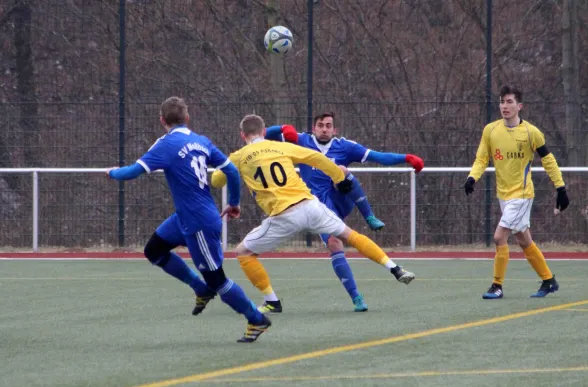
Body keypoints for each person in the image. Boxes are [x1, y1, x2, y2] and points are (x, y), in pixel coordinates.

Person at [211, 114, 415, 314]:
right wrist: (338, 176)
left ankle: (271, 301)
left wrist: (229, 167)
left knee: (243, 252)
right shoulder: (280, 146)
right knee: (349, 235)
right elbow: (315, 157)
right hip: (311, 205)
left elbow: (217, 181)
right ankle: (394, 268)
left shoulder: (237, 156)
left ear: (242, 135)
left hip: (284, 216)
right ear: (264, 132)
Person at [106, 97, 270, 343]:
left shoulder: (166, 144)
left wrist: (112, 173)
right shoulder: (201, 141)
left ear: (162, 120)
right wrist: (234, 202)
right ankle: (199, 288)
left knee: (217, 280)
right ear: (187, 118)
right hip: (186, 217)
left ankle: (256, 318)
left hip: (199, 223)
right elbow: (232, 171)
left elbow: (133, 171)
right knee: (154, 250)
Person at [264, 112, 424, 312]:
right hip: (319, 208)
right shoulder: (301, 141)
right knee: (334, 243)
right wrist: (280, 129)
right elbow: (261, 136)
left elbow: (378, 157)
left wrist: (407, 158)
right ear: (314, 128)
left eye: (328, 125)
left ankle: (370, 217)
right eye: (320, 125)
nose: (324, 129)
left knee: (342, 170)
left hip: (342, 198)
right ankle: (357, 297)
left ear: (334, 129)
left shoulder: (345, 146)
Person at [464, 85, 570, 299]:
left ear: (519, 106)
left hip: (522, 196)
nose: (505, 106)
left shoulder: (531, 133)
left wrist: (561, 188)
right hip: (503, 195)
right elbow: (482, 158)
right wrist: (472, 177)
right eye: (502, 101)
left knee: (498, 236)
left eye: (510, 102)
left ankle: (497, 286)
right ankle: (549, 281)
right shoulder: (491, 130)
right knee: (523, 240)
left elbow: (548, 160)